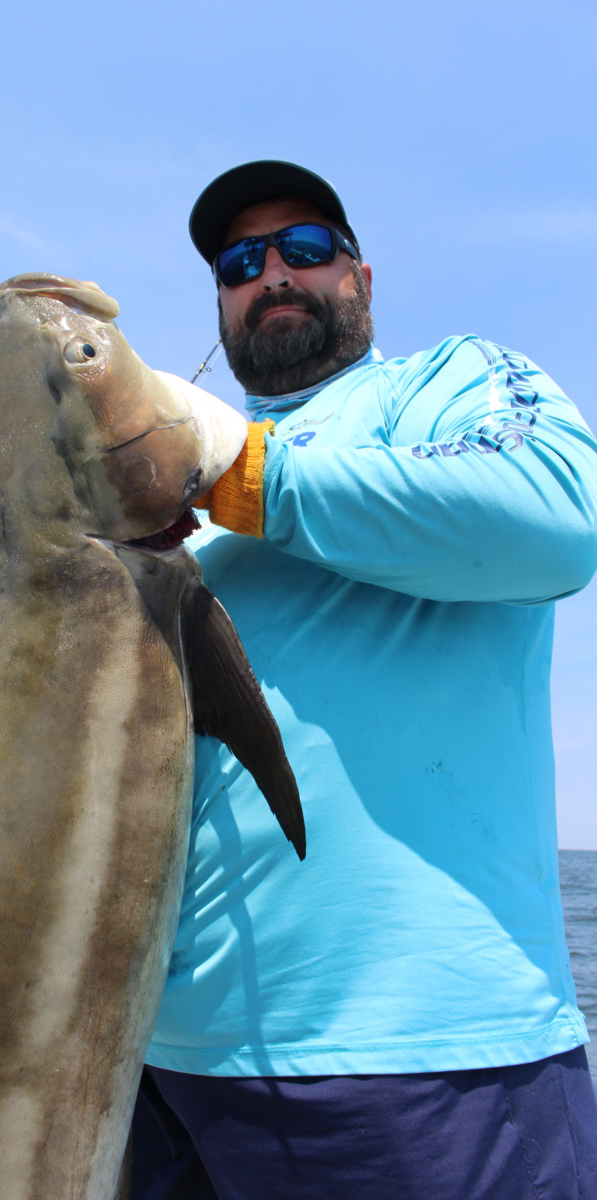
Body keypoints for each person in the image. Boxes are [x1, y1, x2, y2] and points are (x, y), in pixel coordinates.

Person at [130, 160, 597, 1199]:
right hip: (154, 1069)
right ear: (219, 300)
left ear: (362, 278)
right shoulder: (175, 519)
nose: (272, 275)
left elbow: (556, 519)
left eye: (304, 248)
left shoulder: (445, 383)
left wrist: (242, 472)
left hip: (419, 1063)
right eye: (240, 263)